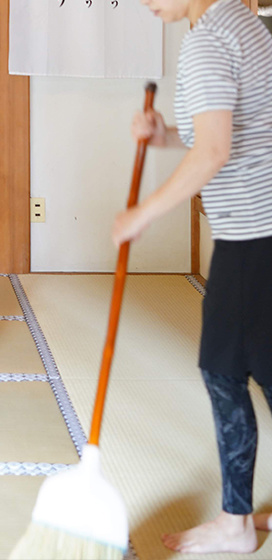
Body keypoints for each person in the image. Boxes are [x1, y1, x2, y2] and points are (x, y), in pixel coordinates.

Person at [115, 0, 272, 553]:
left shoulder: (208, 41)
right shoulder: (241, 22)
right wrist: (166, 135)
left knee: (224, 371)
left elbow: (215, 149)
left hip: (254, 235)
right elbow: (231, 126)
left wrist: (145, 213)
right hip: (262, 227)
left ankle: (235, 524)